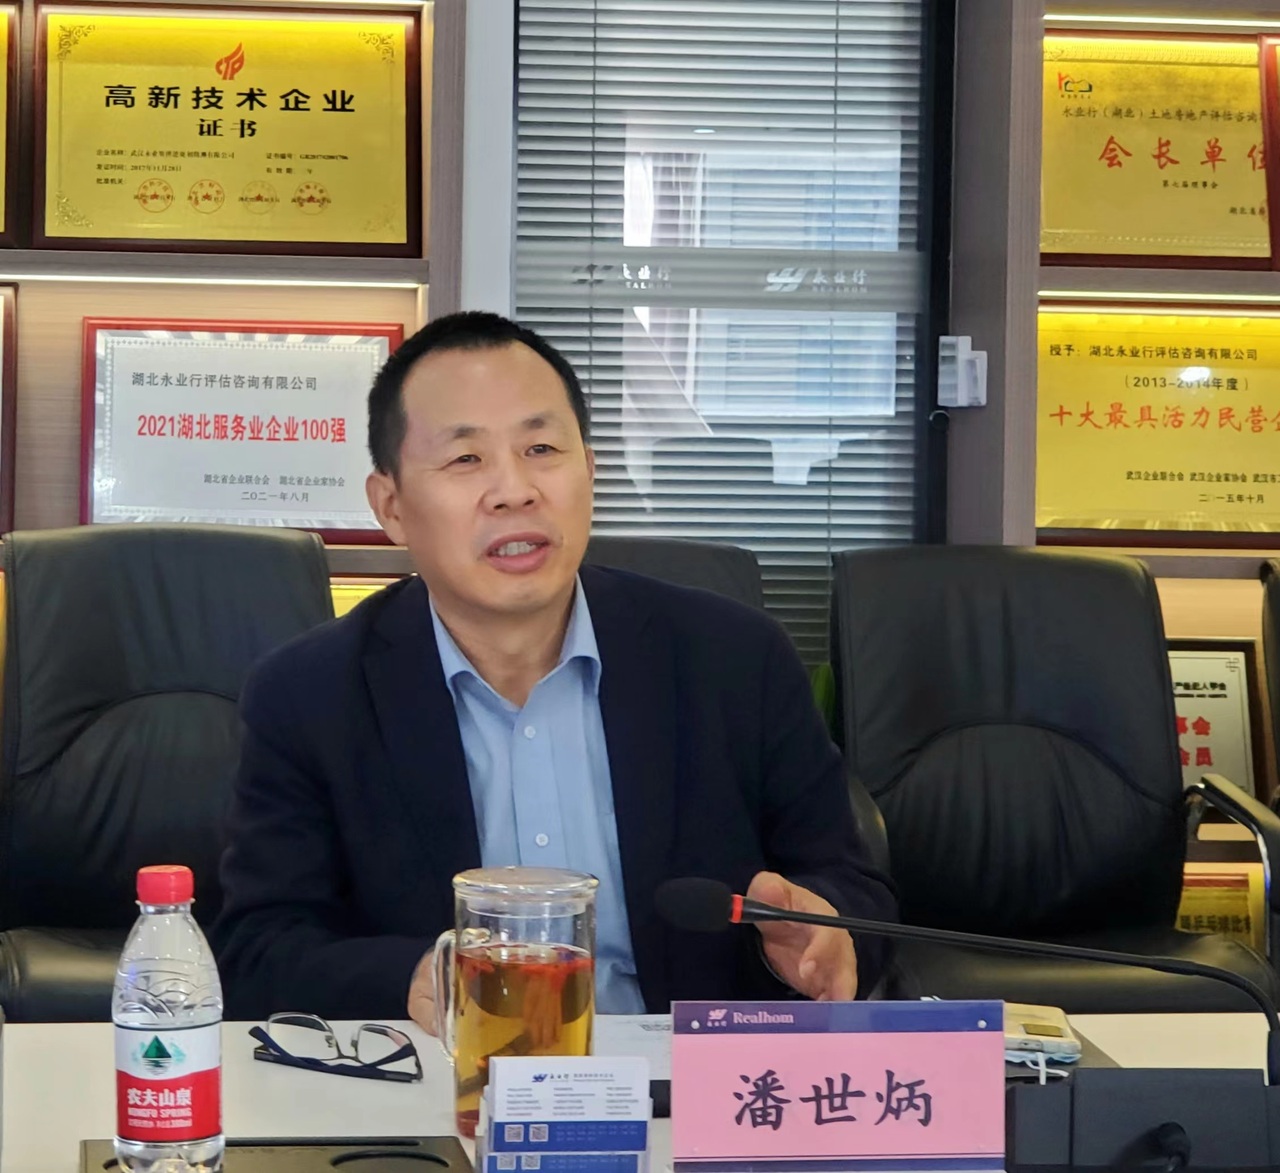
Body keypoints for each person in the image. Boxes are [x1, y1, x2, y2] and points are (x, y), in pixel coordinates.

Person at [212, 311, 897, 1028]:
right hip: (451, 1077)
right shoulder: (310, 694)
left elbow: (853, 888)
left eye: (541, 448)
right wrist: (414, 978)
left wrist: (826, 933)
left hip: (689, 1076)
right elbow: (258, 950)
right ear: (392, 506)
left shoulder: (734, 658)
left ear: (590, 471)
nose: (515, 490)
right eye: (466, 459)